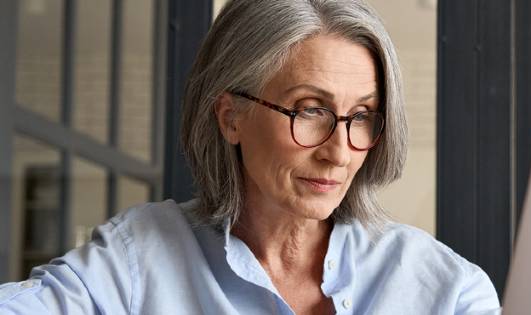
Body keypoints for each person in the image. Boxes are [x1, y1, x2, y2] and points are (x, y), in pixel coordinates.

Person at [0, 0, 501, 314]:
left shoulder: (448, 291)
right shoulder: (138, 262)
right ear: (231, 116)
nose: (339, 151)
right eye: (310, 110)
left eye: (362, 116)